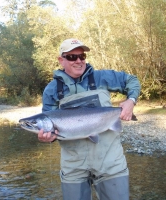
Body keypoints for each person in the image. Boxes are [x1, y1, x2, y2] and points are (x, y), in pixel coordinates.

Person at [38, 38, 141, 200]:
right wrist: (47, 138)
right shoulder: (51, 90)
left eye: (82, 56)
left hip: (110, 161)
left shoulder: (101, 77)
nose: (79, 61)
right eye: (72, 57)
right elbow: (48, 124)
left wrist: (131, 101)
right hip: (73, 166)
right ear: (61, 60)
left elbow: (132, 80)